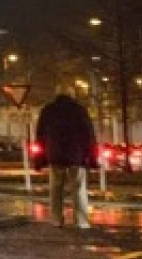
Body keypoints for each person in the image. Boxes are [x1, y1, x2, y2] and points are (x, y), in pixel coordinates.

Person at [35, 86, 97, 228]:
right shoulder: (79, 110)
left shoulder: (48, 110)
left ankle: (57, 219)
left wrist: (40, 159)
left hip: (55, 155)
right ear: (72, 95)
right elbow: (88, 136)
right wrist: (91, 158)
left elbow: (40, 136)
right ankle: (81, 221)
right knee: (78, 188)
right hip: (76, 156)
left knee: (56, 189)